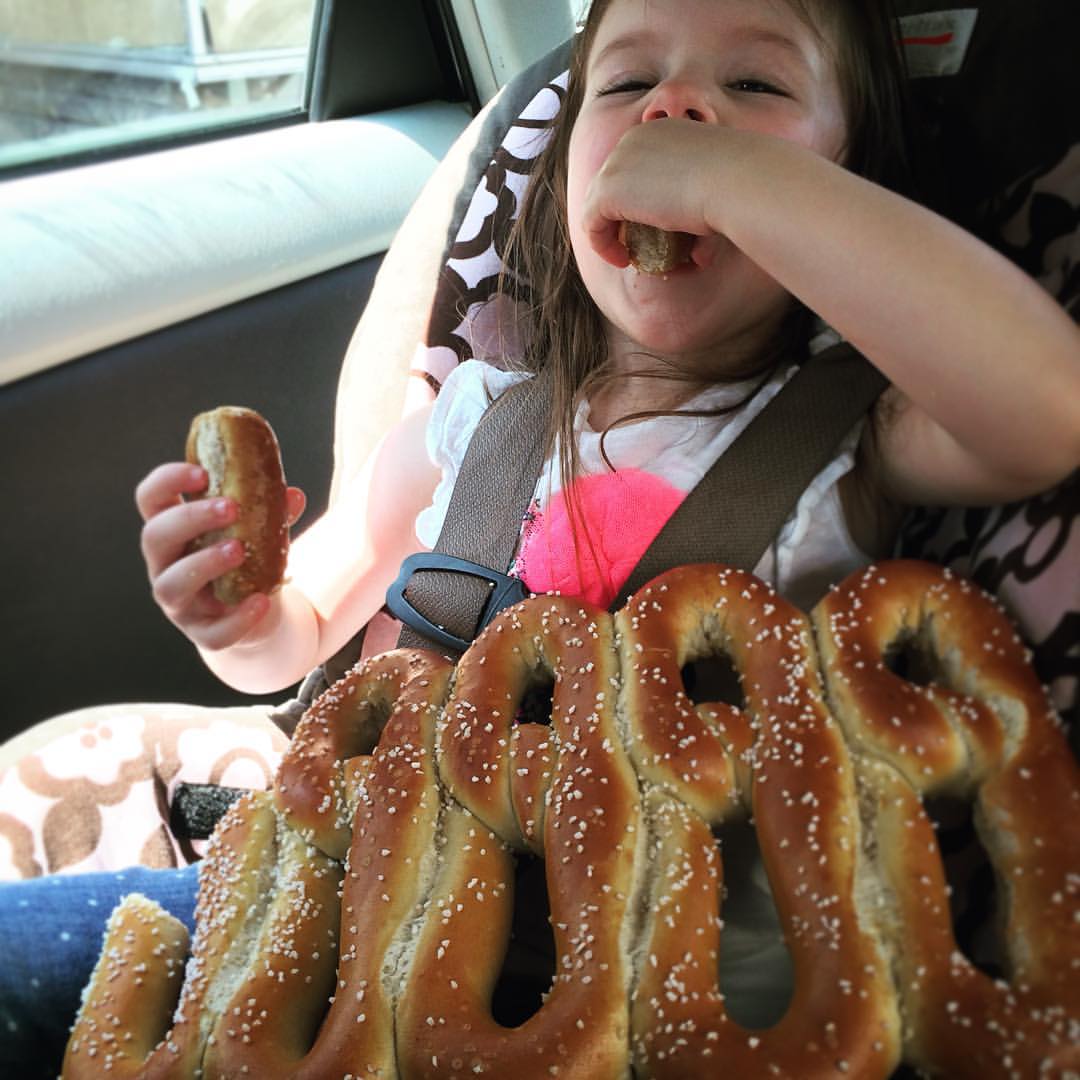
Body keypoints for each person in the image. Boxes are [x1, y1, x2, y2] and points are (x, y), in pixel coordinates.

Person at [3, 0, 1079, 1072]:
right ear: (565, 175)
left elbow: (1046, 407)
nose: (676, 107)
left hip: (667, 991)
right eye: (623, 87)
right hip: (353, 923)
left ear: (855, 192)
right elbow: (300, 632)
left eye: (756, 87)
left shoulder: (859, 434)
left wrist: (732, 182)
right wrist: (233, 616)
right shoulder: (473, 415)